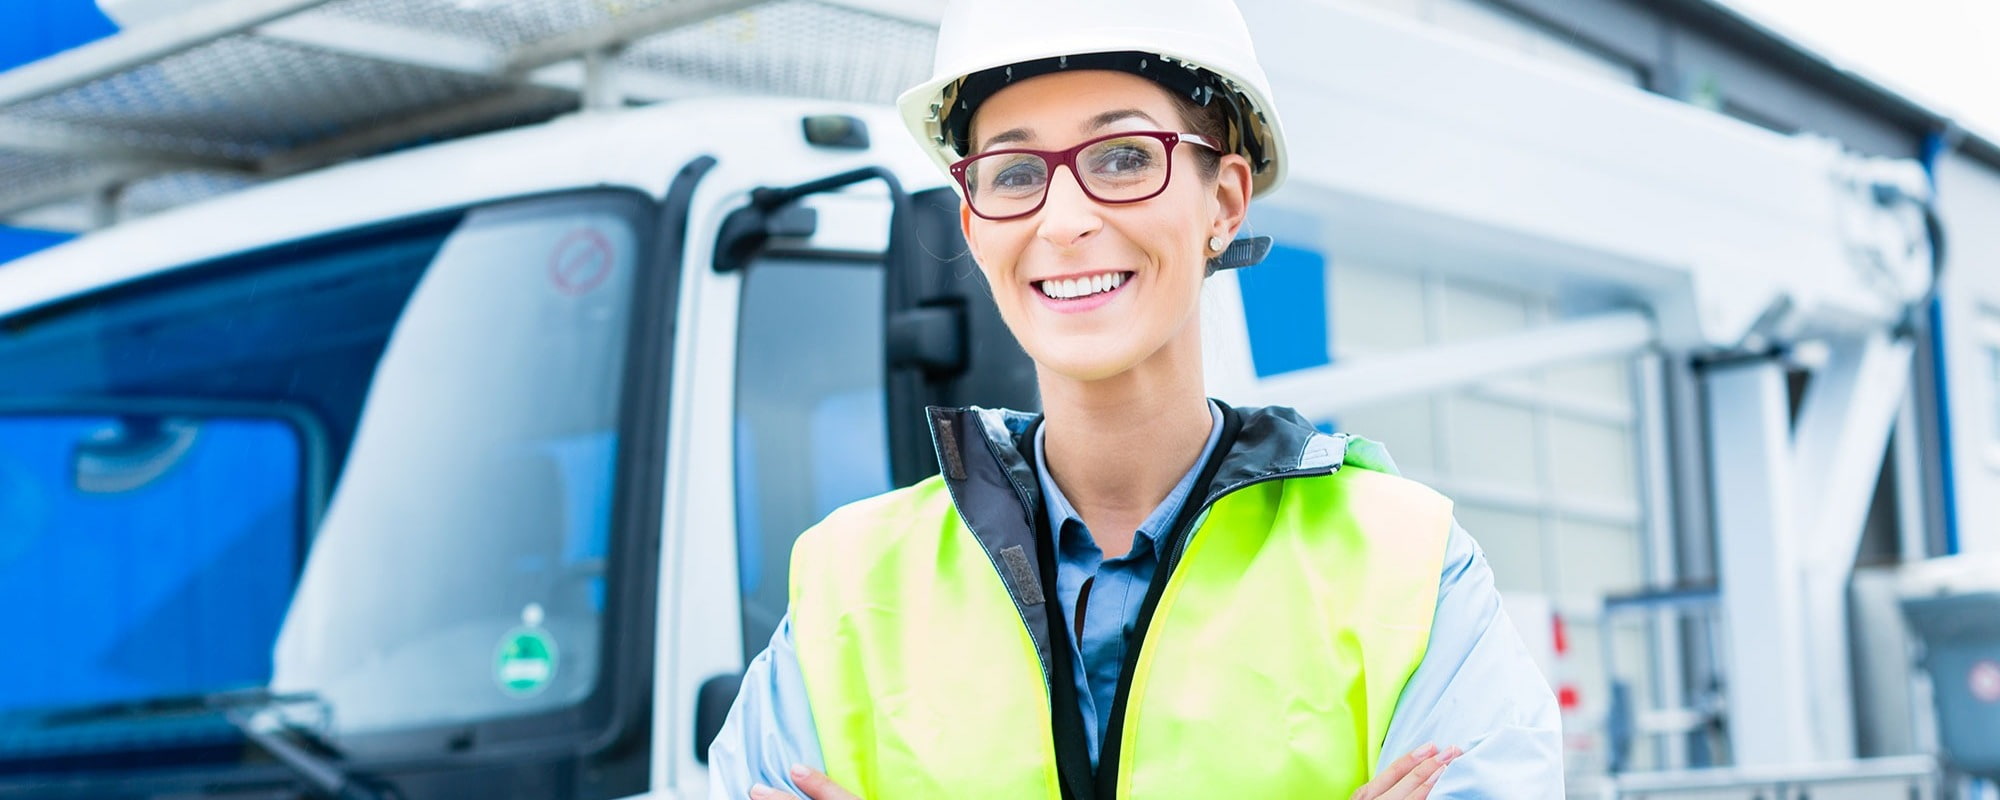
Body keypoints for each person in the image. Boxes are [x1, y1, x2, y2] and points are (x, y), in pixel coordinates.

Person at [707, 0, 1564, 797]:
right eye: (1012, 173)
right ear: (974, 226)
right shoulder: (849, 588)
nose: (1065, 218)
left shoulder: (1405, 567)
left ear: (1223, 203)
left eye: (1123, 158)